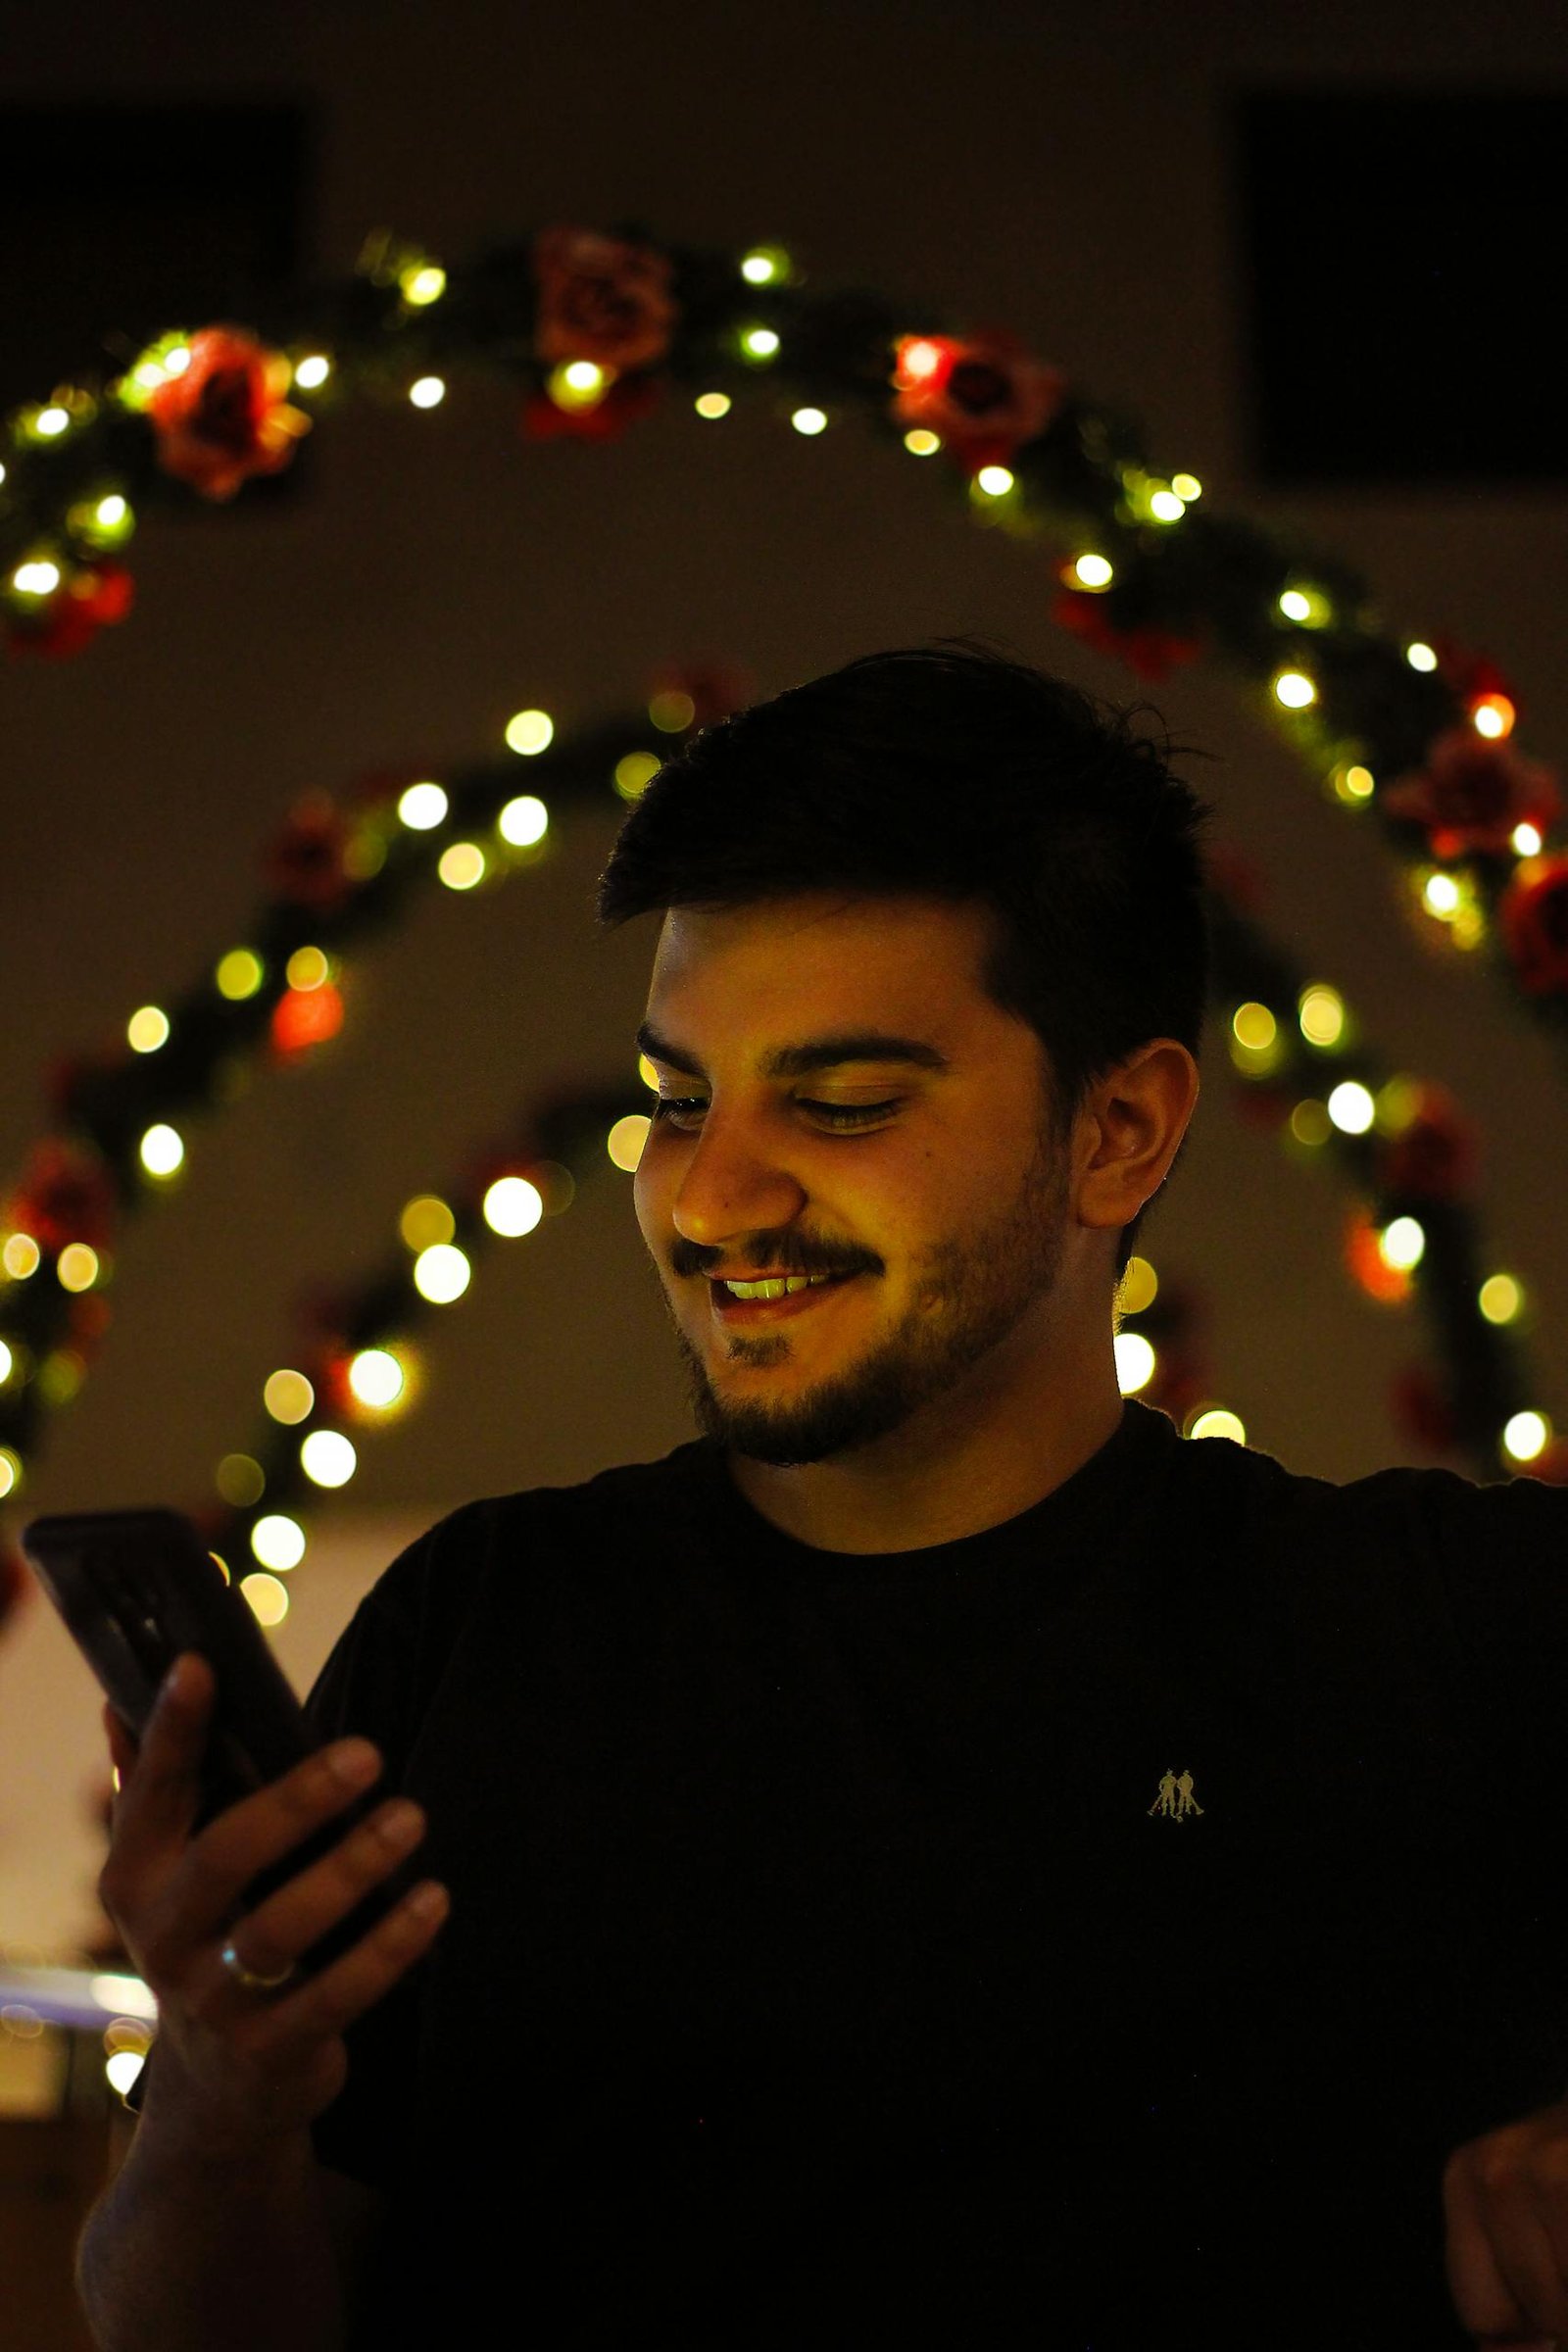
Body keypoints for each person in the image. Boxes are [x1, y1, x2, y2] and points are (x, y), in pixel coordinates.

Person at [77, 639, 1568, 2349]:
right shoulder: (491, 1631)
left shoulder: (1432, 1636)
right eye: (675, 1100)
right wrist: (214, 2091)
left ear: (1122, 1130)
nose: (710, 1198)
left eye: (842, 1102)